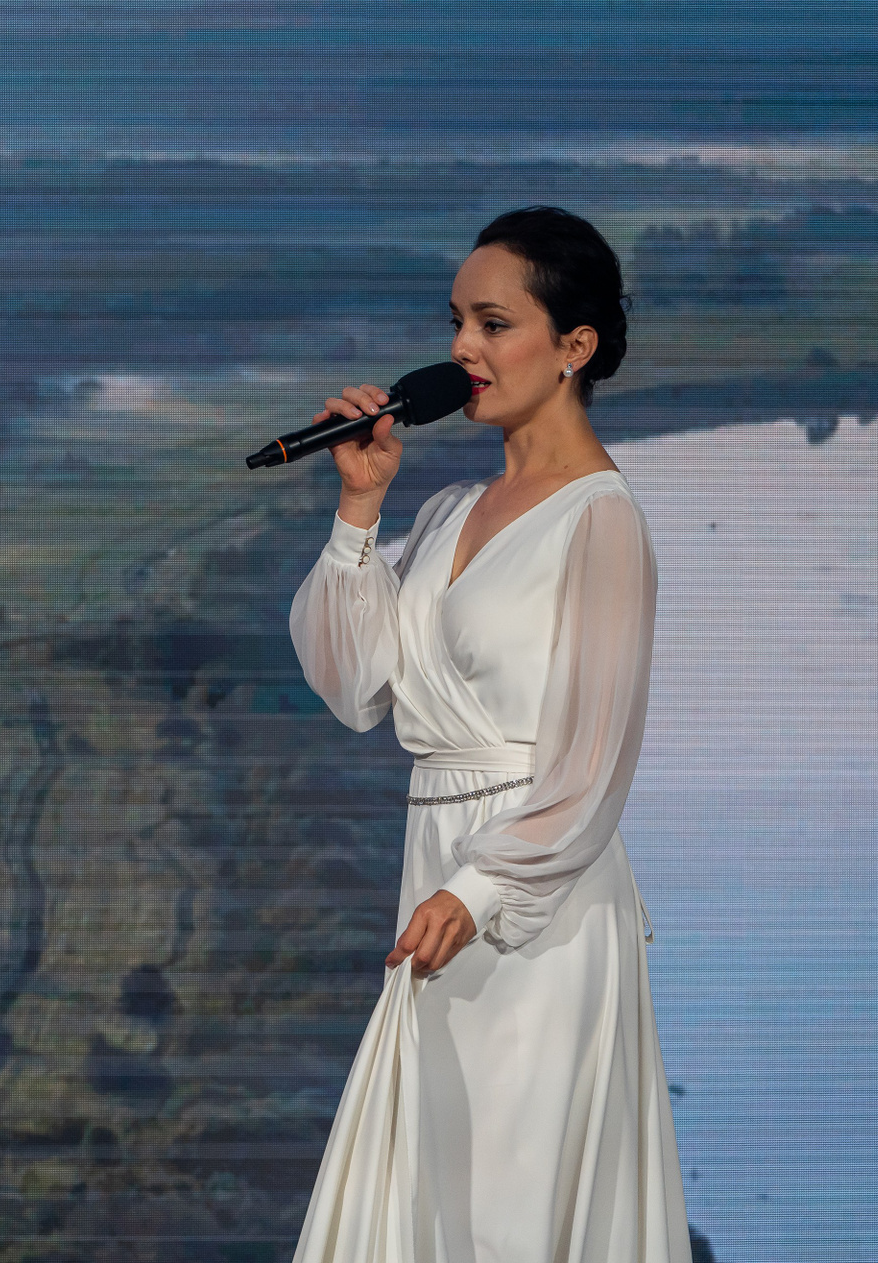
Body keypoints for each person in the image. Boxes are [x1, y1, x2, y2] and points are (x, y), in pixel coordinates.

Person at [287, 207, 692, 1262]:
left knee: (511, 1207)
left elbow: (593, 762)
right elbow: (356, 686)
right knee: (440, 1196)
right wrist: (360, 510)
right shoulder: (450, 508)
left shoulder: (601, 518)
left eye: (494, 323)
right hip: (437, 886)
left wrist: (477, 892)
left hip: (533, 910)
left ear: (574, 346)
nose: (462, 347)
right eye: (457, 322)